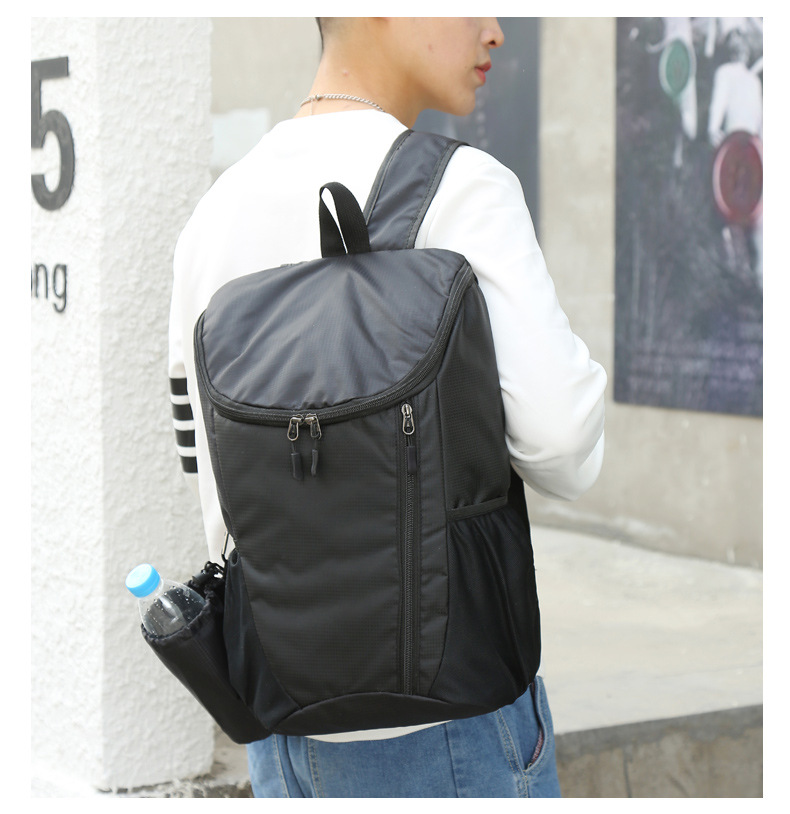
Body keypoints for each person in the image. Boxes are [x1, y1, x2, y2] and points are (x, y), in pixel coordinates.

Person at [169, 17, 607, 798]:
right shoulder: (462, 188)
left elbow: (200, 456)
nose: (495, 29)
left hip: (282, 718)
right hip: (450, 726)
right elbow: (564, 444)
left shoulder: (216, 212)